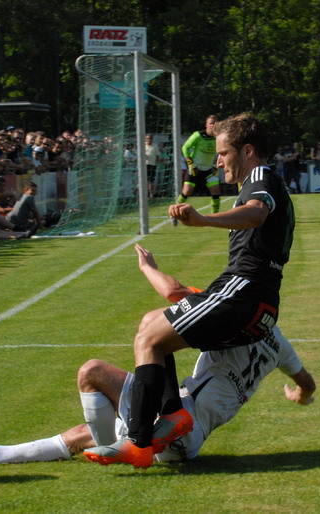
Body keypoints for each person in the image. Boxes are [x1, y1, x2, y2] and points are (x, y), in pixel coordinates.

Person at [0, 244, 315, 466]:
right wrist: (299, 395)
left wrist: (147, 267)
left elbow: (176, 293)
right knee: (82, 432)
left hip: (179, 426)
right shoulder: (279, 345)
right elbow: (307, 383)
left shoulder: (233, 319)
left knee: (93, 371)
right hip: (189, 440)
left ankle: (121, 449)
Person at [99, 113, 295, 469]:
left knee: (147, 340)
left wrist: (203, 220)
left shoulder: (260, 178)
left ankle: (137, 442)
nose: (218, 161)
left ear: (248, 151)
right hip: (259, 303)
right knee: (152, 324)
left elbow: (256, 213)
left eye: (223, 153)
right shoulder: (263, 182)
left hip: (243, 293)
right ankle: (172, 414)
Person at [179, 115, 221, 215]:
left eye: (215, 123)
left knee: (216, 191)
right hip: (195, 169)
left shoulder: (219, 137)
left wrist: (216, 165)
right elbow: (185, 147)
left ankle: (214, 217)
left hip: (209, 169)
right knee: (186, 192)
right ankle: (175, 214)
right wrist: (190, 162)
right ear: (206, 124)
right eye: (211, 123)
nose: (213, 125)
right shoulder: (198, 135)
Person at [144, 134, 160, 198]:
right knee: (144, 180)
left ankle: (151, 194)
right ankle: (144, 194)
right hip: (144, 165)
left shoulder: (155, 146)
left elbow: (157, 156)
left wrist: (157, 162)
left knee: (151, 180)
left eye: (150, 138)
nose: (149, 139)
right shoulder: (143, 146)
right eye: (147, 138)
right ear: (145, 139)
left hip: (152, 165)